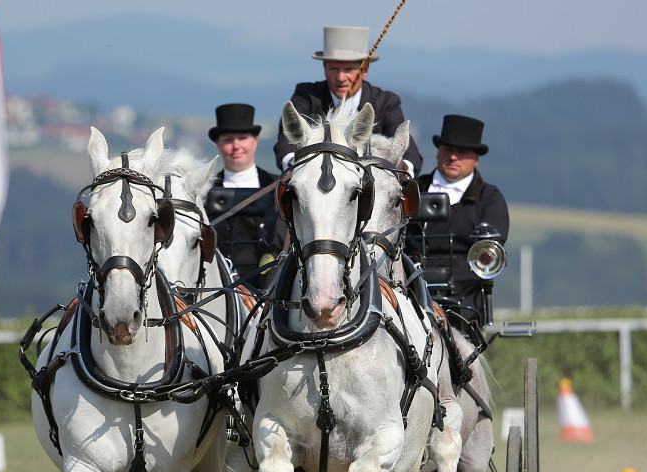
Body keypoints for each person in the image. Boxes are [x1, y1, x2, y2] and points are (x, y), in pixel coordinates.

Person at [273, 26, 423, 175]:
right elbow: (286, 140)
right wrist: (295, 164)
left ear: (364, 71)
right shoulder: (307, 95)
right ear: (324, 69)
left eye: (349, 69)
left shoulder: (386, 101)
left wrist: (402, 169)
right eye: (334, 69)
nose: (340, 77)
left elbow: (410, 154)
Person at [405, 114, 509, 326]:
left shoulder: (489, 198)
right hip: (409, 295)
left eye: (462, 153)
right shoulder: (413, 190)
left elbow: (488, 254)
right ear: (438, 152)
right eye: (448, 150)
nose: (453, 157)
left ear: (476, 158)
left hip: (462, 302)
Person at [205, 103, 287, 289]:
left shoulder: (280, 187)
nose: (236, 146)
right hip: (219, 290)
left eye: (243, 138)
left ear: (255, 141)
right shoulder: (205, 192)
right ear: (218, 144)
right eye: (228, 140)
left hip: (271, 290)